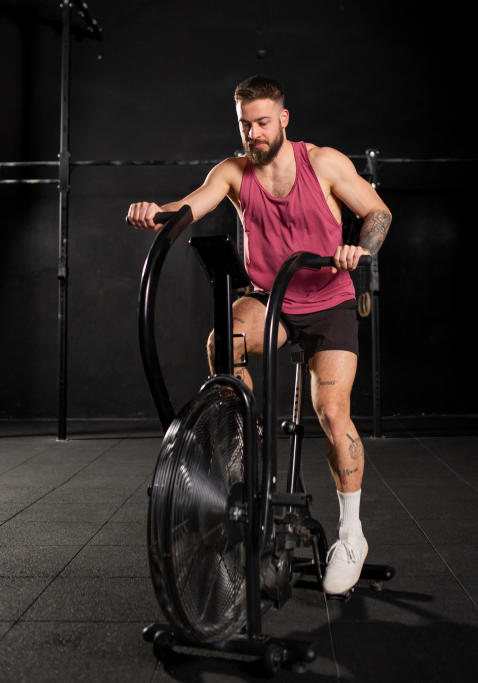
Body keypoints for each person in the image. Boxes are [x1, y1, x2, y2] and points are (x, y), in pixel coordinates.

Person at [128, 76, 392, 596]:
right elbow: (188, 209)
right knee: (221, 343)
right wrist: (154, 214)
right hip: (271, 298)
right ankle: (248, 444)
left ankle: (352, 534)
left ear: (284, 119)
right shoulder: (232, 172)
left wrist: (360, 250)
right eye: (245, 124)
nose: (253, 133)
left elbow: (378, 212)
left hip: (327, 299)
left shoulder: (324, 163)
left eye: (262, 122)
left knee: (334, 413)